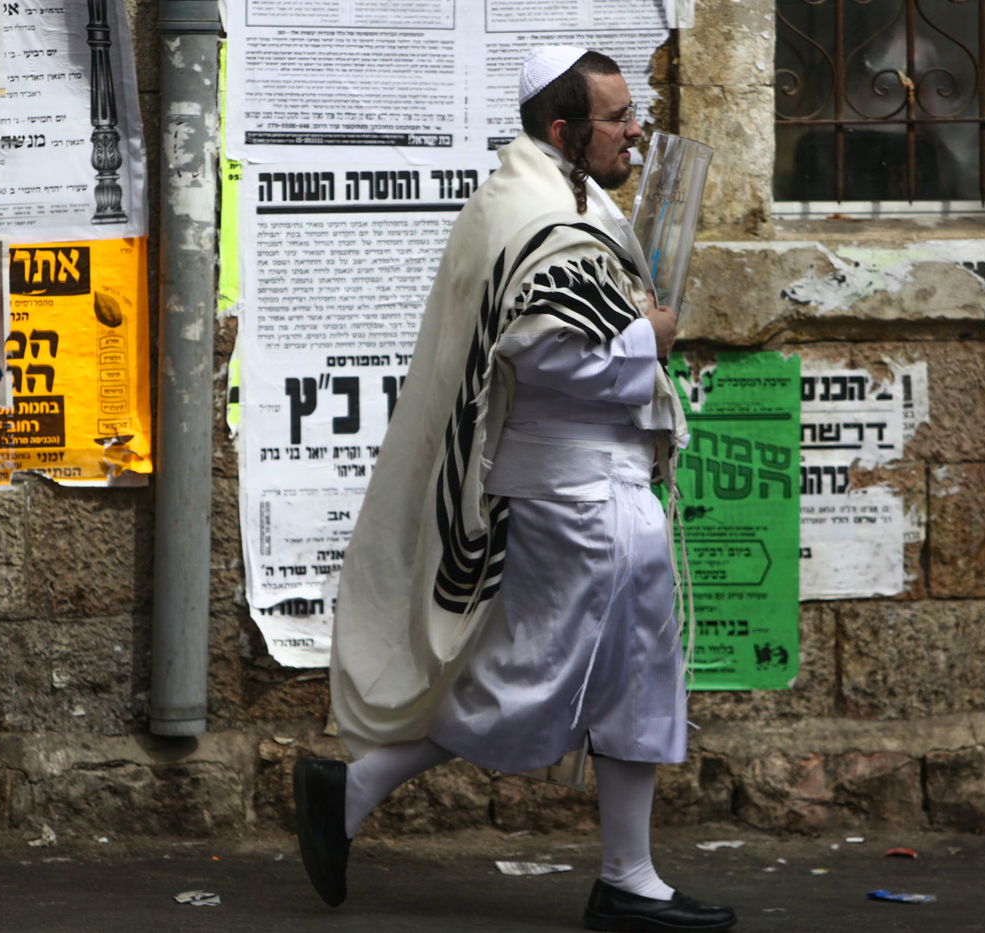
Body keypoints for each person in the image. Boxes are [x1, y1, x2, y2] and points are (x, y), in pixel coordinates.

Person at [292, 46, 737, 933]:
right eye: (617, 118)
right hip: (579, 496)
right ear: (564, 130)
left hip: (595, 489)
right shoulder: (537, 213)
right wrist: (647, 338)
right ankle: (355, 788)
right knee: (532, 681)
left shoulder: (543, 196)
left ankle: (629, 876)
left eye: (633, 113)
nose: (636, 132)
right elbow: (544, 353)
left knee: (628, 680)